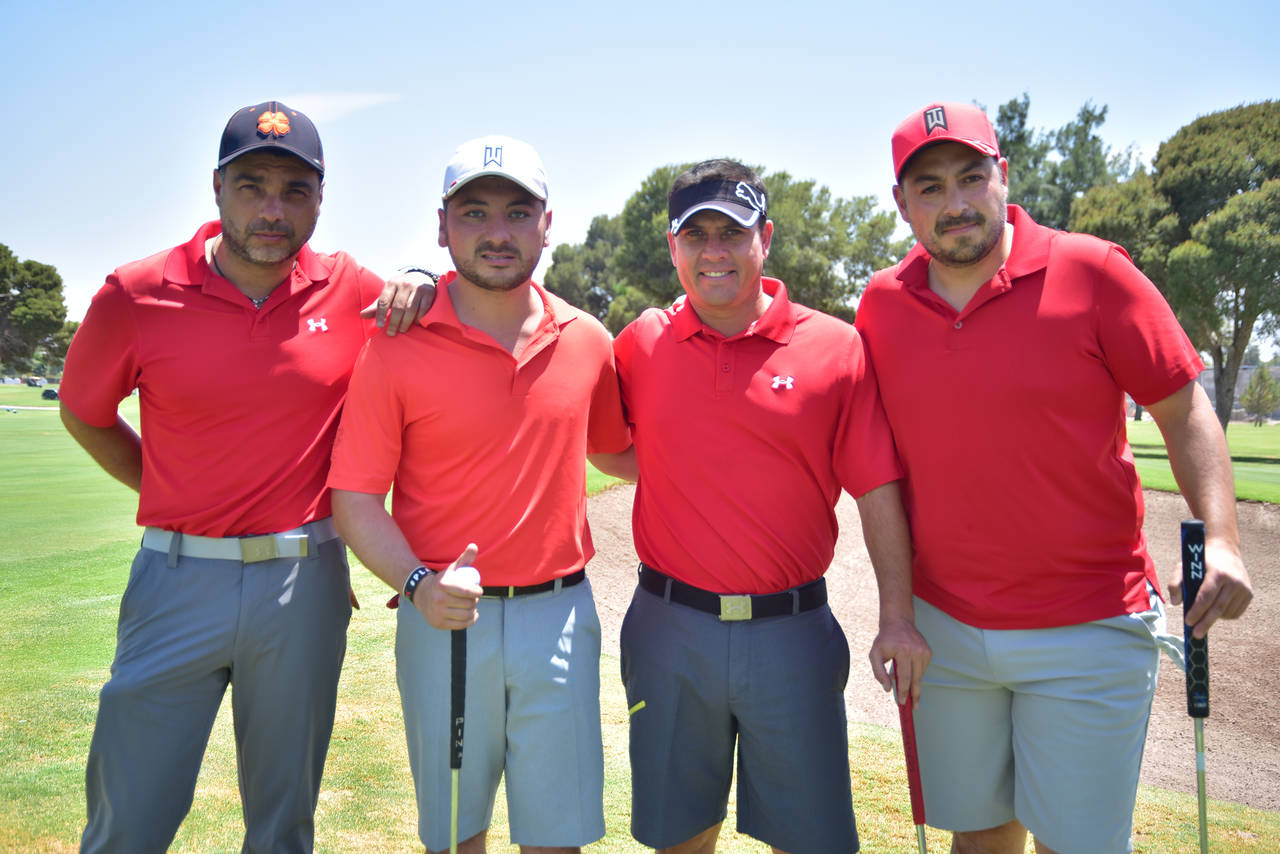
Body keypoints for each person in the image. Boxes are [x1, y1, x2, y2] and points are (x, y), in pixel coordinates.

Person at [854, 101, 1255, 854]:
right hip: (946, 628)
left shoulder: (1095, 272)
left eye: (971, 177)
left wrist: (1224, 540)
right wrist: (900, 611)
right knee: (979, 841)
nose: (956, 202)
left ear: (1003, 176)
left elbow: (1184, 410)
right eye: (931, 188)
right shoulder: (880, 304)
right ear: (902, 203)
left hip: (1089, 624)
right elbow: (875, 466)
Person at [59, 100, 433, 853]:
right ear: (217, 188)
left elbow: (438, 306)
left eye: (295, 191)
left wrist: (423, 273)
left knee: (283, 824)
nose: (273, 210)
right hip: (175, 579)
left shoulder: (350, 290)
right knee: (128, 819)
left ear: (320, 199)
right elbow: (85, 413)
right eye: (252, 185)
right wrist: (169, 490)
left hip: (304, 584)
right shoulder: (135, 292)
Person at [591, 159, 930, 854]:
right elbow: (614, 449)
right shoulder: (641, 342)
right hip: (669, 629)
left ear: (765, 238)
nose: (713, 251)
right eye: (696, 234)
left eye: (733, 232)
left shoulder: (834, 347)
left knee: (809, 842)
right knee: (680, 839)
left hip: (792, 634)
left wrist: (897, 617)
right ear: (673, 246)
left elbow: (875, 487)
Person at [327, 134, 630, 854]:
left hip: (560, 616)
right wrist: (418, 585)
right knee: (457, 836)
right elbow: (356, 497)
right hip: (442, 616)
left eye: (518, 213)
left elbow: (617, 451)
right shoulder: (394, 343)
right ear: (442, 227)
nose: (497, 232)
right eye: (474, 213)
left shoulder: (588, 339)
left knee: (556, 840)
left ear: (547, 225)